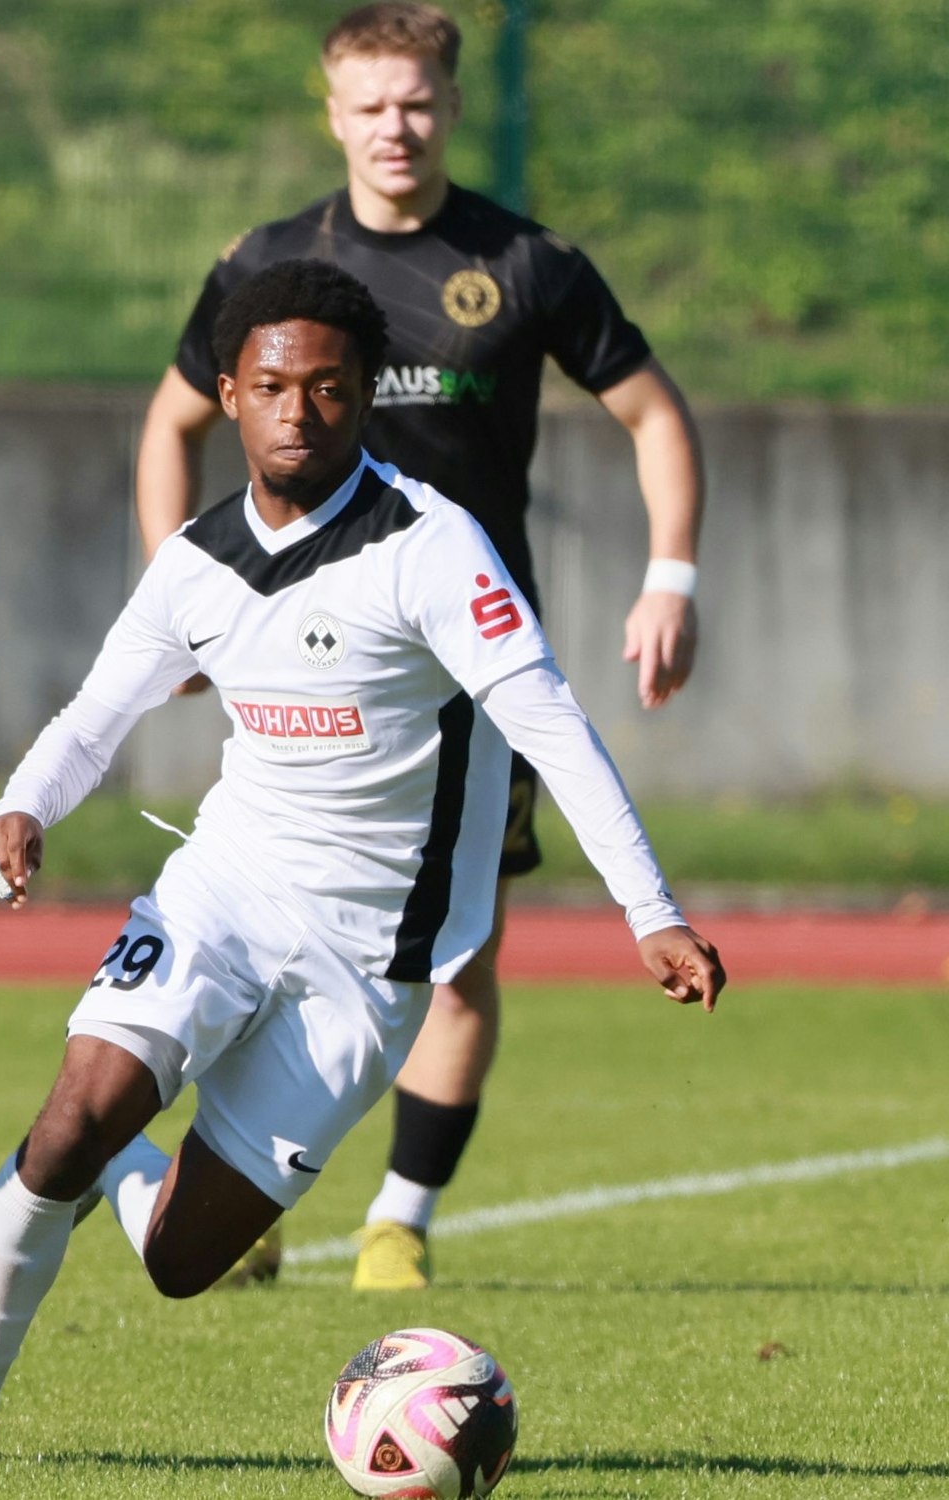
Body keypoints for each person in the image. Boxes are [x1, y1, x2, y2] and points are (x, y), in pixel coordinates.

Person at [0, 259, 722, 1474]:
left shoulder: (430, 544)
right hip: (222, 889)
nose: (296, 412)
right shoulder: (195, 566)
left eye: (326, 388)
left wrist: (652, 913)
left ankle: (123, 1162)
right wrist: (19, 810)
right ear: (228, 392)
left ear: (365, 397)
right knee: (64, 1128)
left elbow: (548, 726)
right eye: (270, 386)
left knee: (175, 1263)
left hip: (371, 962)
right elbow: (95, 717)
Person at [133, 1, 707, 1291]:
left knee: (454, 957)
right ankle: (248, 1199)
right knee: (262, 941)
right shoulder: (266, 266)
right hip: (294, 667)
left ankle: (399, 1216)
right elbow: (169, 422)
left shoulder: (524, 261)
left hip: (462, 682)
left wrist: (668, 573)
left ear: (446, 105)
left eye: (417, 103)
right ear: (331, 113)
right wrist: (178, 594)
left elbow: (653, 413)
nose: (395, 128)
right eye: (370, 105)